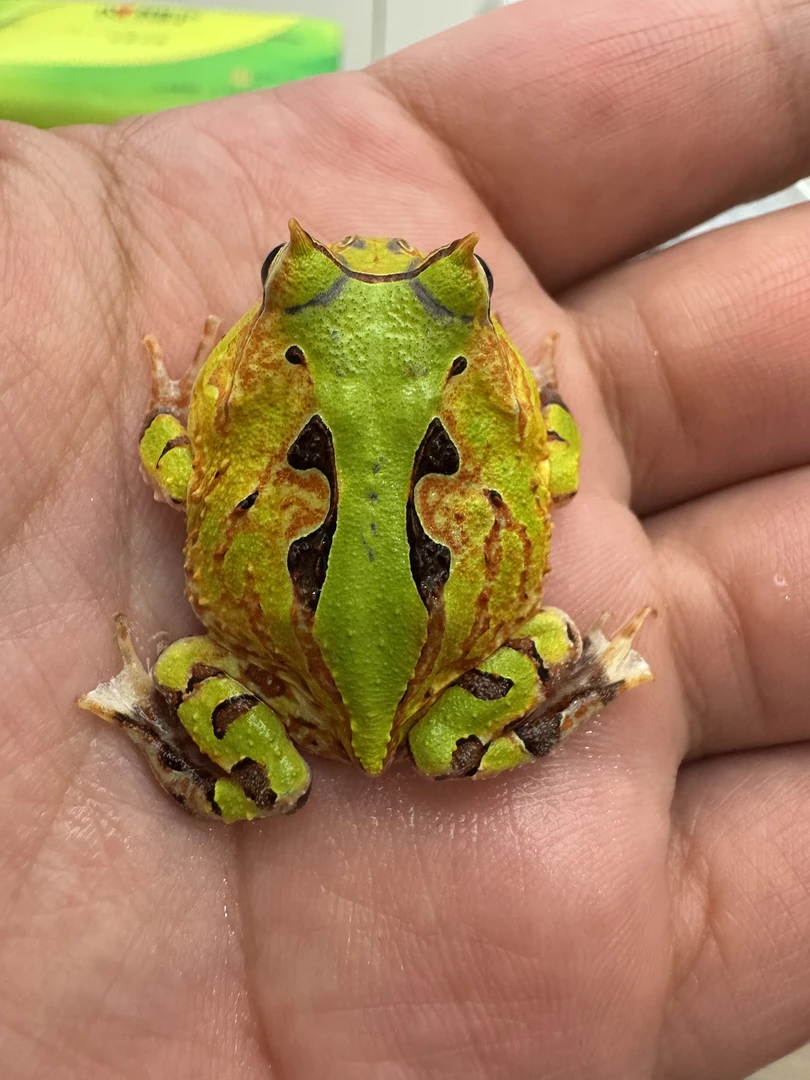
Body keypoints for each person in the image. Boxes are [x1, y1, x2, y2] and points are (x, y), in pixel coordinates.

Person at [2, 1, 809, 1076]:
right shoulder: (499, 405)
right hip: (444, 693)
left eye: (461, 288)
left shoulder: (249, 401)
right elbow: (556, 470)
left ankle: (166, 720)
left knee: (202, 687)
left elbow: (171, 469)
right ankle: (581, 682)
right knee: (547, 646)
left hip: (273, 692)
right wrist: (551, 398)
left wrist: (169, 400)